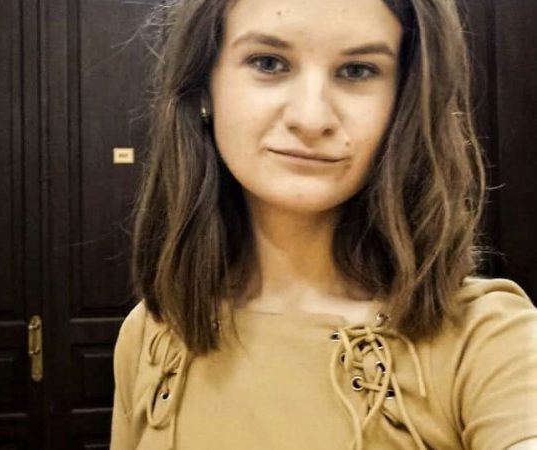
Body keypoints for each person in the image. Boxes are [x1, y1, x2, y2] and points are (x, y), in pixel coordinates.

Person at [110, 0, 537, 448]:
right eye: (268, 63)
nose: (311, 119)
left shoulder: (489, 341)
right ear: (203, 88)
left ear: (404, 101)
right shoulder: (153, 332)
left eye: (357, 71)